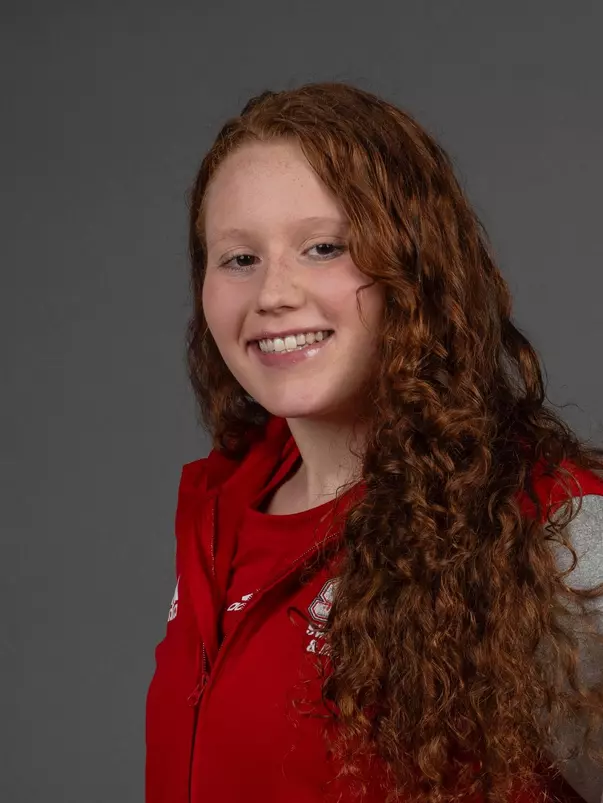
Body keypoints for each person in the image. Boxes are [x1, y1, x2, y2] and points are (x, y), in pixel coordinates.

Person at [145, 82, 603, 803]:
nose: (273, 293)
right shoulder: (221, 518)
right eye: (238, 258)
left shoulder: (546, 526)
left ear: (414, 268)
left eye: (323, 247)